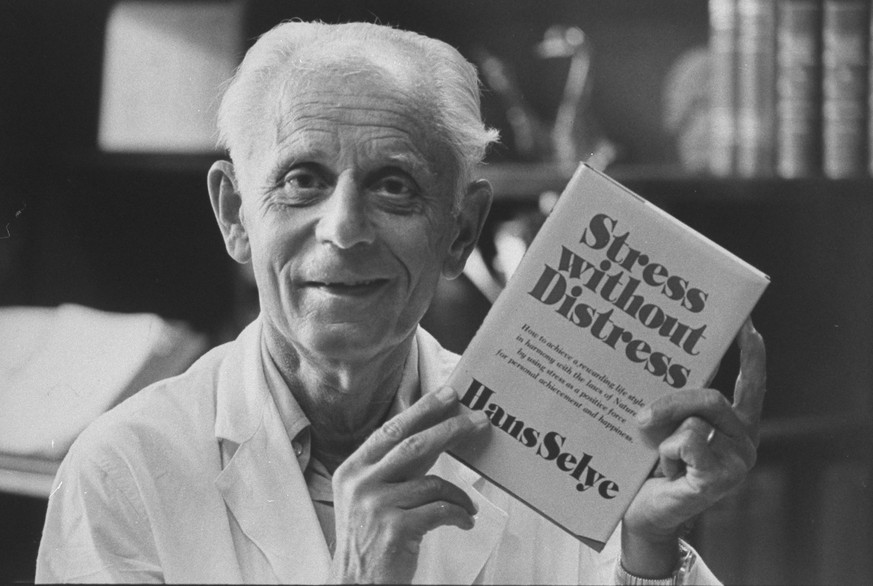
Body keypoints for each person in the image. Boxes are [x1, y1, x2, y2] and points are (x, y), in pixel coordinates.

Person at [35, 21, 766, 584]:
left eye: (394, 185)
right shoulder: (124, 469)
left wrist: (643, 547)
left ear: (459, 231)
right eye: (301, 179)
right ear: (234, 214)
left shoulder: (556, 445)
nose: (345, 229)